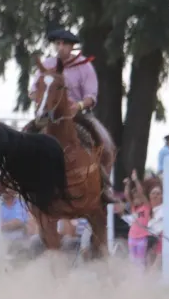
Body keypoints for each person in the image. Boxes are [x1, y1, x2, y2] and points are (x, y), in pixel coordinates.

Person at [27, 26, 115, 204]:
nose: (60, 47)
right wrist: (40, 100)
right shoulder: (47, 65)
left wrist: (80, 104)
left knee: (101, 137)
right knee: (26, 134)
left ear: (71, 47)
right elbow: (33, 90)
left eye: (64, 44)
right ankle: (24, 178)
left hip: (77, 114)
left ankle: (103, 181)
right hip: (49, 114)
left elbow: (91, 95)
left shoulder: (84, 66)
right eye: (57, 43)